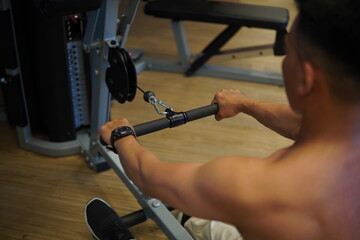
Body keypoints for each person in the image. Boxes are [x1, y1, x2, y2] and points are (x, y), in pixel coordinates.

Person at [86, 0, 360, 239]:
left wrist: (122, 136)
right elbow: (302, 125)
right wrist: (245, 104)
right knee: (205, 221)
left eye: (289, 53)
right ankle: (191, 219)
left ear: (306, 79)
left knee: (197, 200)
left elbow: (149, 179)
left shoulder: (252, 184)